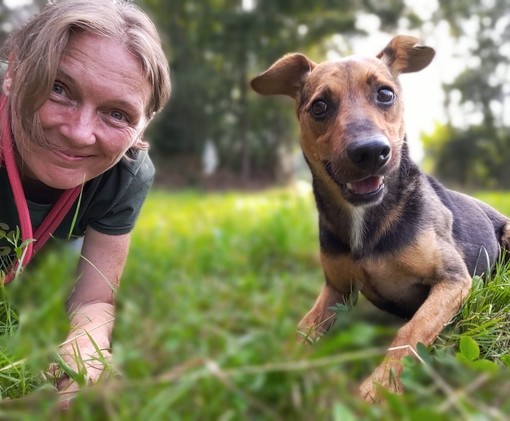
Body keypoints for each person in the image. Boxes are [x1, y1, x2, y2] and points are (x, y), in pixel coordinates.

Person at [0, 0, 171, 404]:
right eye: (59, 89)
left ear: (143, 124)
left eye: (117, 114)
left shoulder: (126, 173)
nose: (79, 133)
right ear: (14, 71)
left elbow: (93, 298)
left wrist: (86, 352)